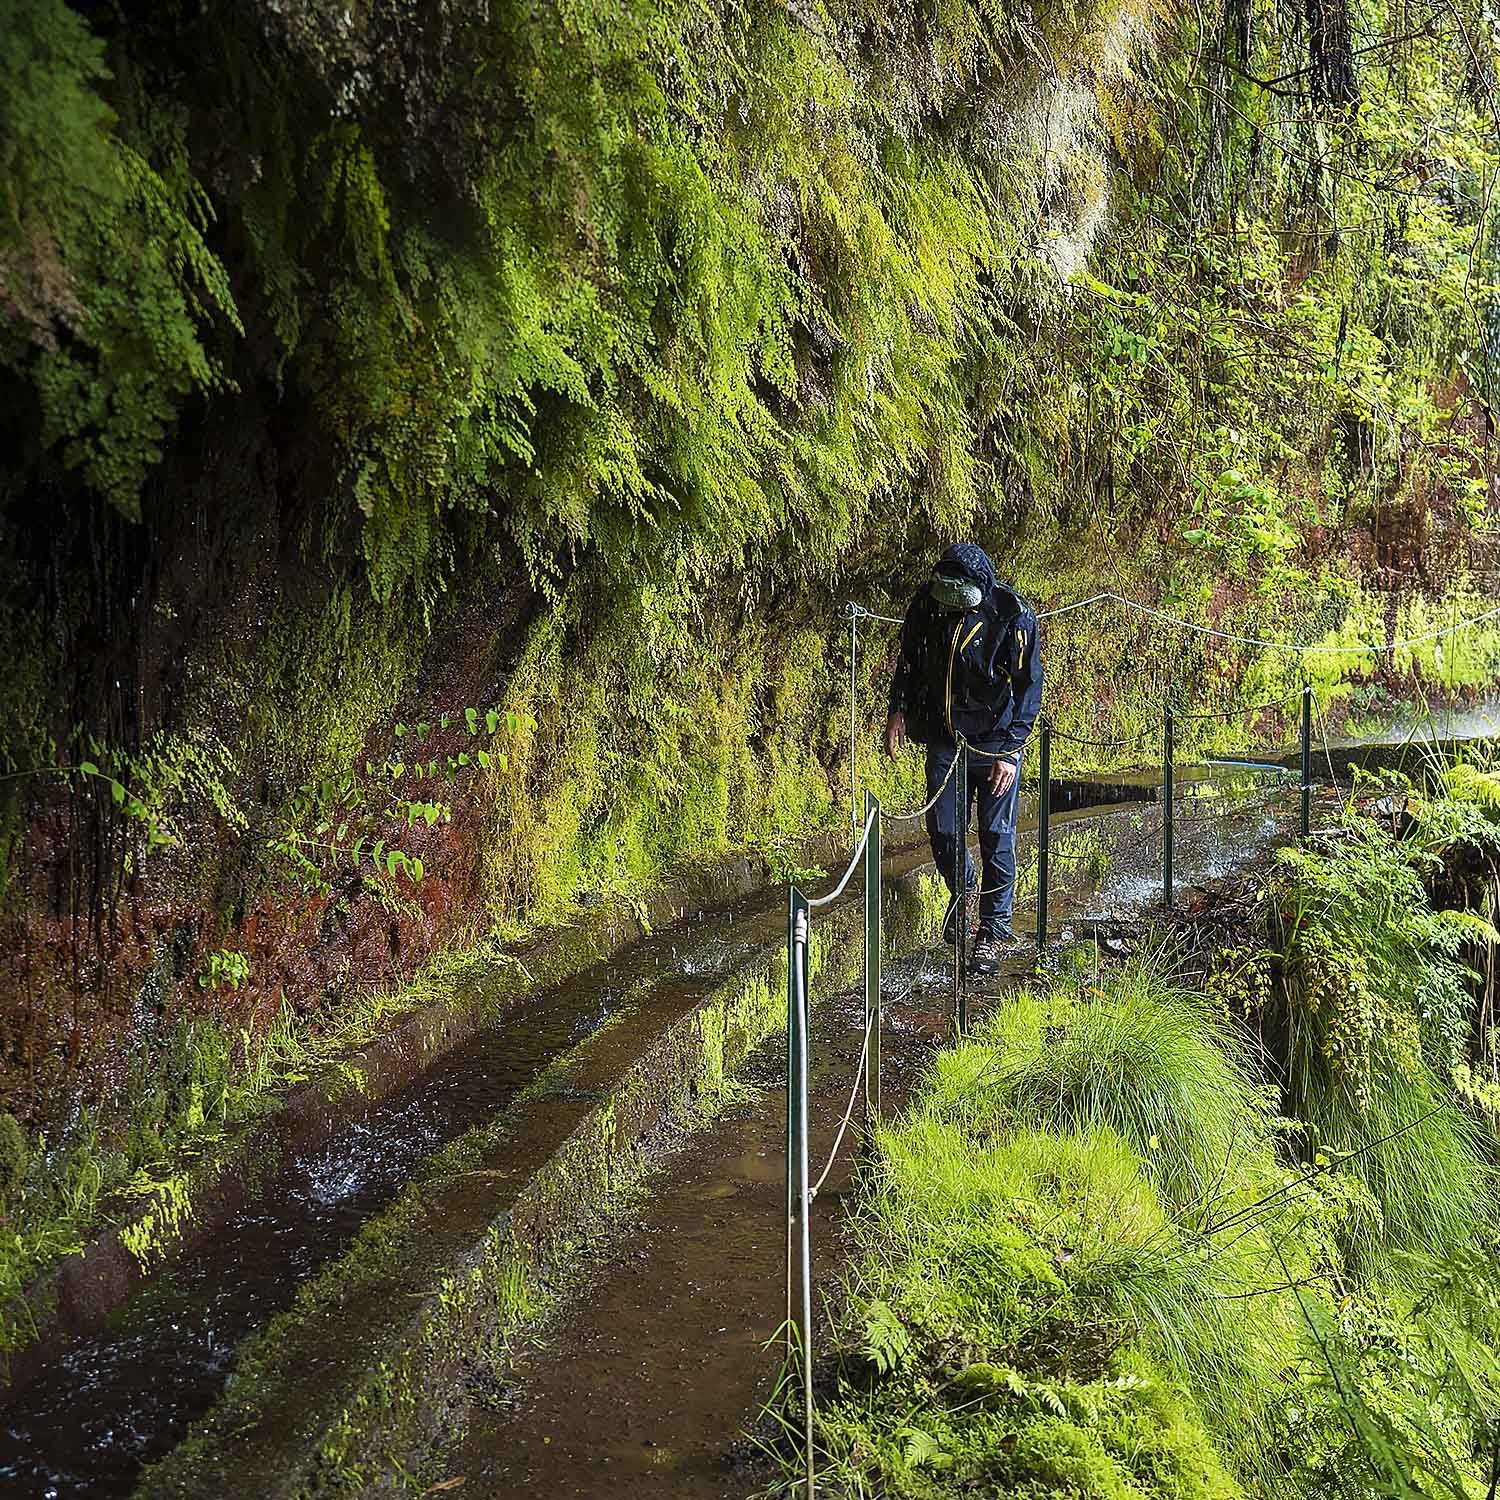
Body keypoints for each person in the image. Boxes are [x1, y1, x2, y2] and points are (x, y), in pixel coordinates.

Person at [884, 543, 1043, 977]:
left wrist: (1010, 750)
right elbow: (909, 662)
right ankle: (964, 888)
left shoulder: (1012, 615)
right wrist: (898, 711)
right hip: (944, 736)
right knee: (942, 829)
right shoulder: (927, 606)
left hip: (995, 741)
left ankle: (992, 930)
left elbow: (1028, 687)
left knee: (996, 834)